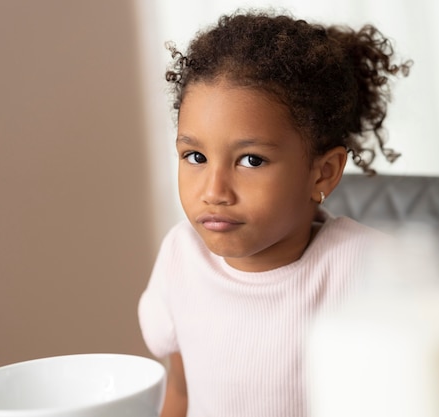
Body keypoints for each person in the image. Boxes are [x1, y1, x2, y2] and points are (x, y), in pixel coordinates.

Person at [138, 9, 411, 417]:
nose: (214, 192)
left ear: (324, 172)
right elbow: (180, 394)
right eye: (195, 156)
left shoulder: (369, 268)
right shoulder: (180, 258)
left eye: (251, 161)